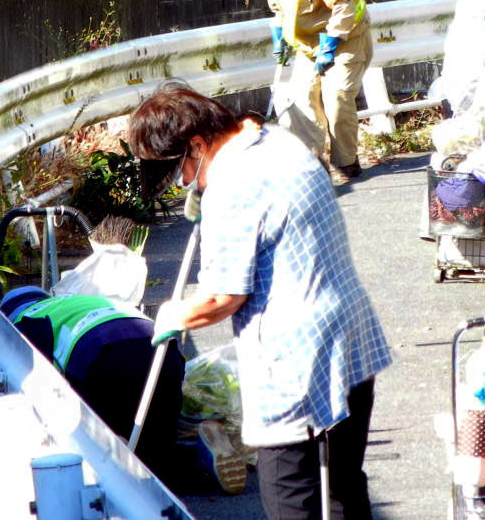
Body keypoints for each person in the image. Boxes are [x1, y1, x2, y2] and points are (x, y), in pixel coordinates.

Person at [126, 82, 393, 520]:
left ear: (198, 143)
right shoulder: (279, 142)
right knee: (343, 486)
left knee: (291, 496)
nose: (184, 182)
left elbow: (221, 296)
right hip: (351, 337)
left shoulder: (232, 186)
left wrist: (175, 314)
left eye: (181, 169)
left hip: (293, 362)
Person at [0, 287, 247, 496]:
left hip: (100, 358)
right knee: (158, 445)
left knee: (133, 465)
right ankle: (207, 456)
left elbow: (33, 386)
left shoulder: (22, 322)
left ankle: (121, 452)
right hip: (164, 354)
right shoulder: (79, 301)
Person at [245, 0, 373, 186]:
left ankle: (346, 163)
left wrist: (332, 43)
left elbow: (345, 5)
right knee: (302, 103)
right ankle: (310, 166)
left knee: (336, 98)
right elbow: (280, 9)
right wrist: (280, 36)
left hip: (345, 37)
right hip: (307, 44)